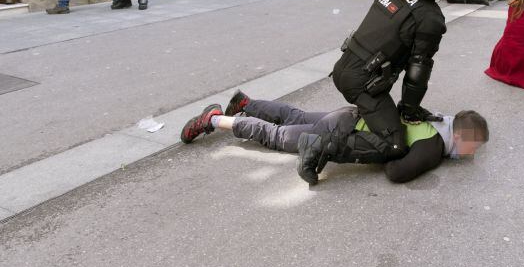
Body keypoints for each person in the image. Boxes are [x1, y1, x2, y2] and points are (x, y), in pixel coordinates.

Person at [323, 0, 451, 181]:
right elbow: (418, 72)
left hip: (344, 68)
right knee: (395, 145)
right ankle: (321, 147)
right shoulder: (429, 17)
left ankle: (250, 107)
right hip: (362, 84)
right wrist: (410, 110)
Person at [179, 91, 489, 185]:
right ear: (460, 136)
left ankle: (247, 103)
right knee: (277, 136)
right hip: (343, 135)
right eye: (472, 146)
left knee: (295, 116)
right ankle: (215, 119)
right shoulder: (433, 147)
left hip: (349, 115)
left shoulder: (434, 116)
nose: (471, 153)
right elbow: (396, 173)